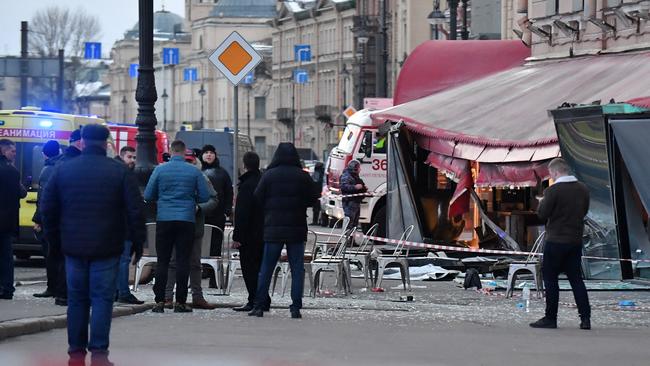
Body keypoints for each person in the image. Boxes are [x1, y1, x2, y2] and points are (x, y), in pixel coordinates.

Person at [40, 124, 146, 362]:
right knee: (102, 298)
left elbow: (47, 208)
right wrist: (138, 243)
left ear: (83, 141)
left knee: (76, 299)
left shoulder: (63, 169)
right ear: (106, 142)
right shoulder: (119, 171)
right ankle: (99, 350)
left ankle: (75, 350)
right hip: (107, 246)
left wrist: (55, 241)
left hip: (73, 246)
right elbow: (135, 211)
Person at [248, 143, 319, 319]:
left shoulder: (269, 175)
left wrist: (270, 209)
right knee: (297, 269)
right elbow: (313, 198)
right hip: (296, 228)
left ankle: (258, 305)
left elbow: (257, 197)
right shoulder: (302, 176)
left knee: (266, 268)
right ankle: (295, 307)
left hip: (273, 227)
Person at [144, 140, 211, 313]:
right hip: (186, 220)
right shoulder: (194, 171)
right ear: (183, 152)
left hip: (164, 219)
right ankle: (181, 302)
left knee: (163, 261)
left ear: (170, 151)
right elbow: (204, 197)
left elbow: (148, 194)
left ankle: (160, 301)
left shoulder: (159, 169)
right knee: (183, 261)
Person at [530, 158, 591, 330]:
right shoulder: (583, 189)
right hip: (575, 240)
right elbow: (584, 211)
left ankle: (551, 317)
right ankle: (585, 318)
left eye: (551, 174)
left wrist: (541, 202)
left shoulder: (552, 191)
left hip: (556, 240)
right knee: (576, 279)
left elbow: (542, 214)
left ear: (555, 172)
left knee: (550, 278)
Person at [163, 150, 218, 310]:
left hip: (194, 225)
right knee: (173, 262)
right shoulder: (170, 176)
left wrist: (199, 207)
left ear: (195, 162)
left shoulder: (201, 177)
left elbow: (214, 198)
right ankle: (167, 297)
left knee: (194, 263)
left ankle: (197, 296)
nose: (187, 164)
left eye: (190, 161)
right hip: (174, 223)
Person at [232, 152, 269, 312]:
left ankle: (254, 299)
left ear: (244, 165)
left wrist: (237, 236)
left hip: (249, 235)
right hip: (264, 232)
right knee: (261, 268)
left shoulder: (246, 185)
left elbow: (242, 213)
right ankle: (263, 299)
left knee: (249, 269)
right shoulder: (263, 181)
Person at [32, 140, 67, 304]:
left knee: (51, 255)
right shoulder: (62, 165)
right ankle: (60, 287)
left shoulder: (47, 169)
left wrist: (38, 219)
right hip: (63, 218)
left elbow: (43, 198)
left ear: (44, 153)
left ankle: (52, 287)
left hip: (50, 219)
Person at [113, 146, 144, 305]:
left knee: (118, 261)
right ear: (122, 156)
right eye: (129, 157)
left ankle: (117, 291)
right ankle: (123, 292)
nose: (132, 160)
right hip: (123, 225)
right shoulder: (124, 174)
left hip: (117, 225)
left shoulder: (118, 172)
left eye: (134, 157)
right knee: (123, 260)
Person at [0, 139, 27, 300]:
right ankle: (7, 288)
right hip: (8, 221)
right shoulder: (12, 171)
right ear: (3, 151)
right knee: (6, 257)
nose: (15, 154)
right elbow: (21, 193)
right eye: (12, 151)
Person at [201, 145, 233, 259]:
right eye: (206, 152)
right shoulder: (197, 171)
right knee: (201, 243)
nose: (209, 155)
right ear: (202, 155)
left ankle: (213, 271)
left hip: (218, 215)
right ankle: (203, 268)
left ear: (215, 155)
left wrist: (227, 210)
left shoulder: (222, 173)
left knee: (216, 243)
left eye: (211, 152)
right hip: (201, 214)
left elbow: (229, 192)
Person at [339, 159, 367, 228]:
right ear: (354, 168)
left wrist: (363, 188)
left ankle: (352, 237)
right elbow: (344, 186)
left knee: (354, 223)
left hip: (355, 202)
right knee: (349, 222)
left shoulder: (354, 176)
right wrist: (355, 187)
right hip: (349, 202)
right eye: (358, 168)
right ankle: (348, 237)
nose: (360, 169)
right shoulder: (347, 176)